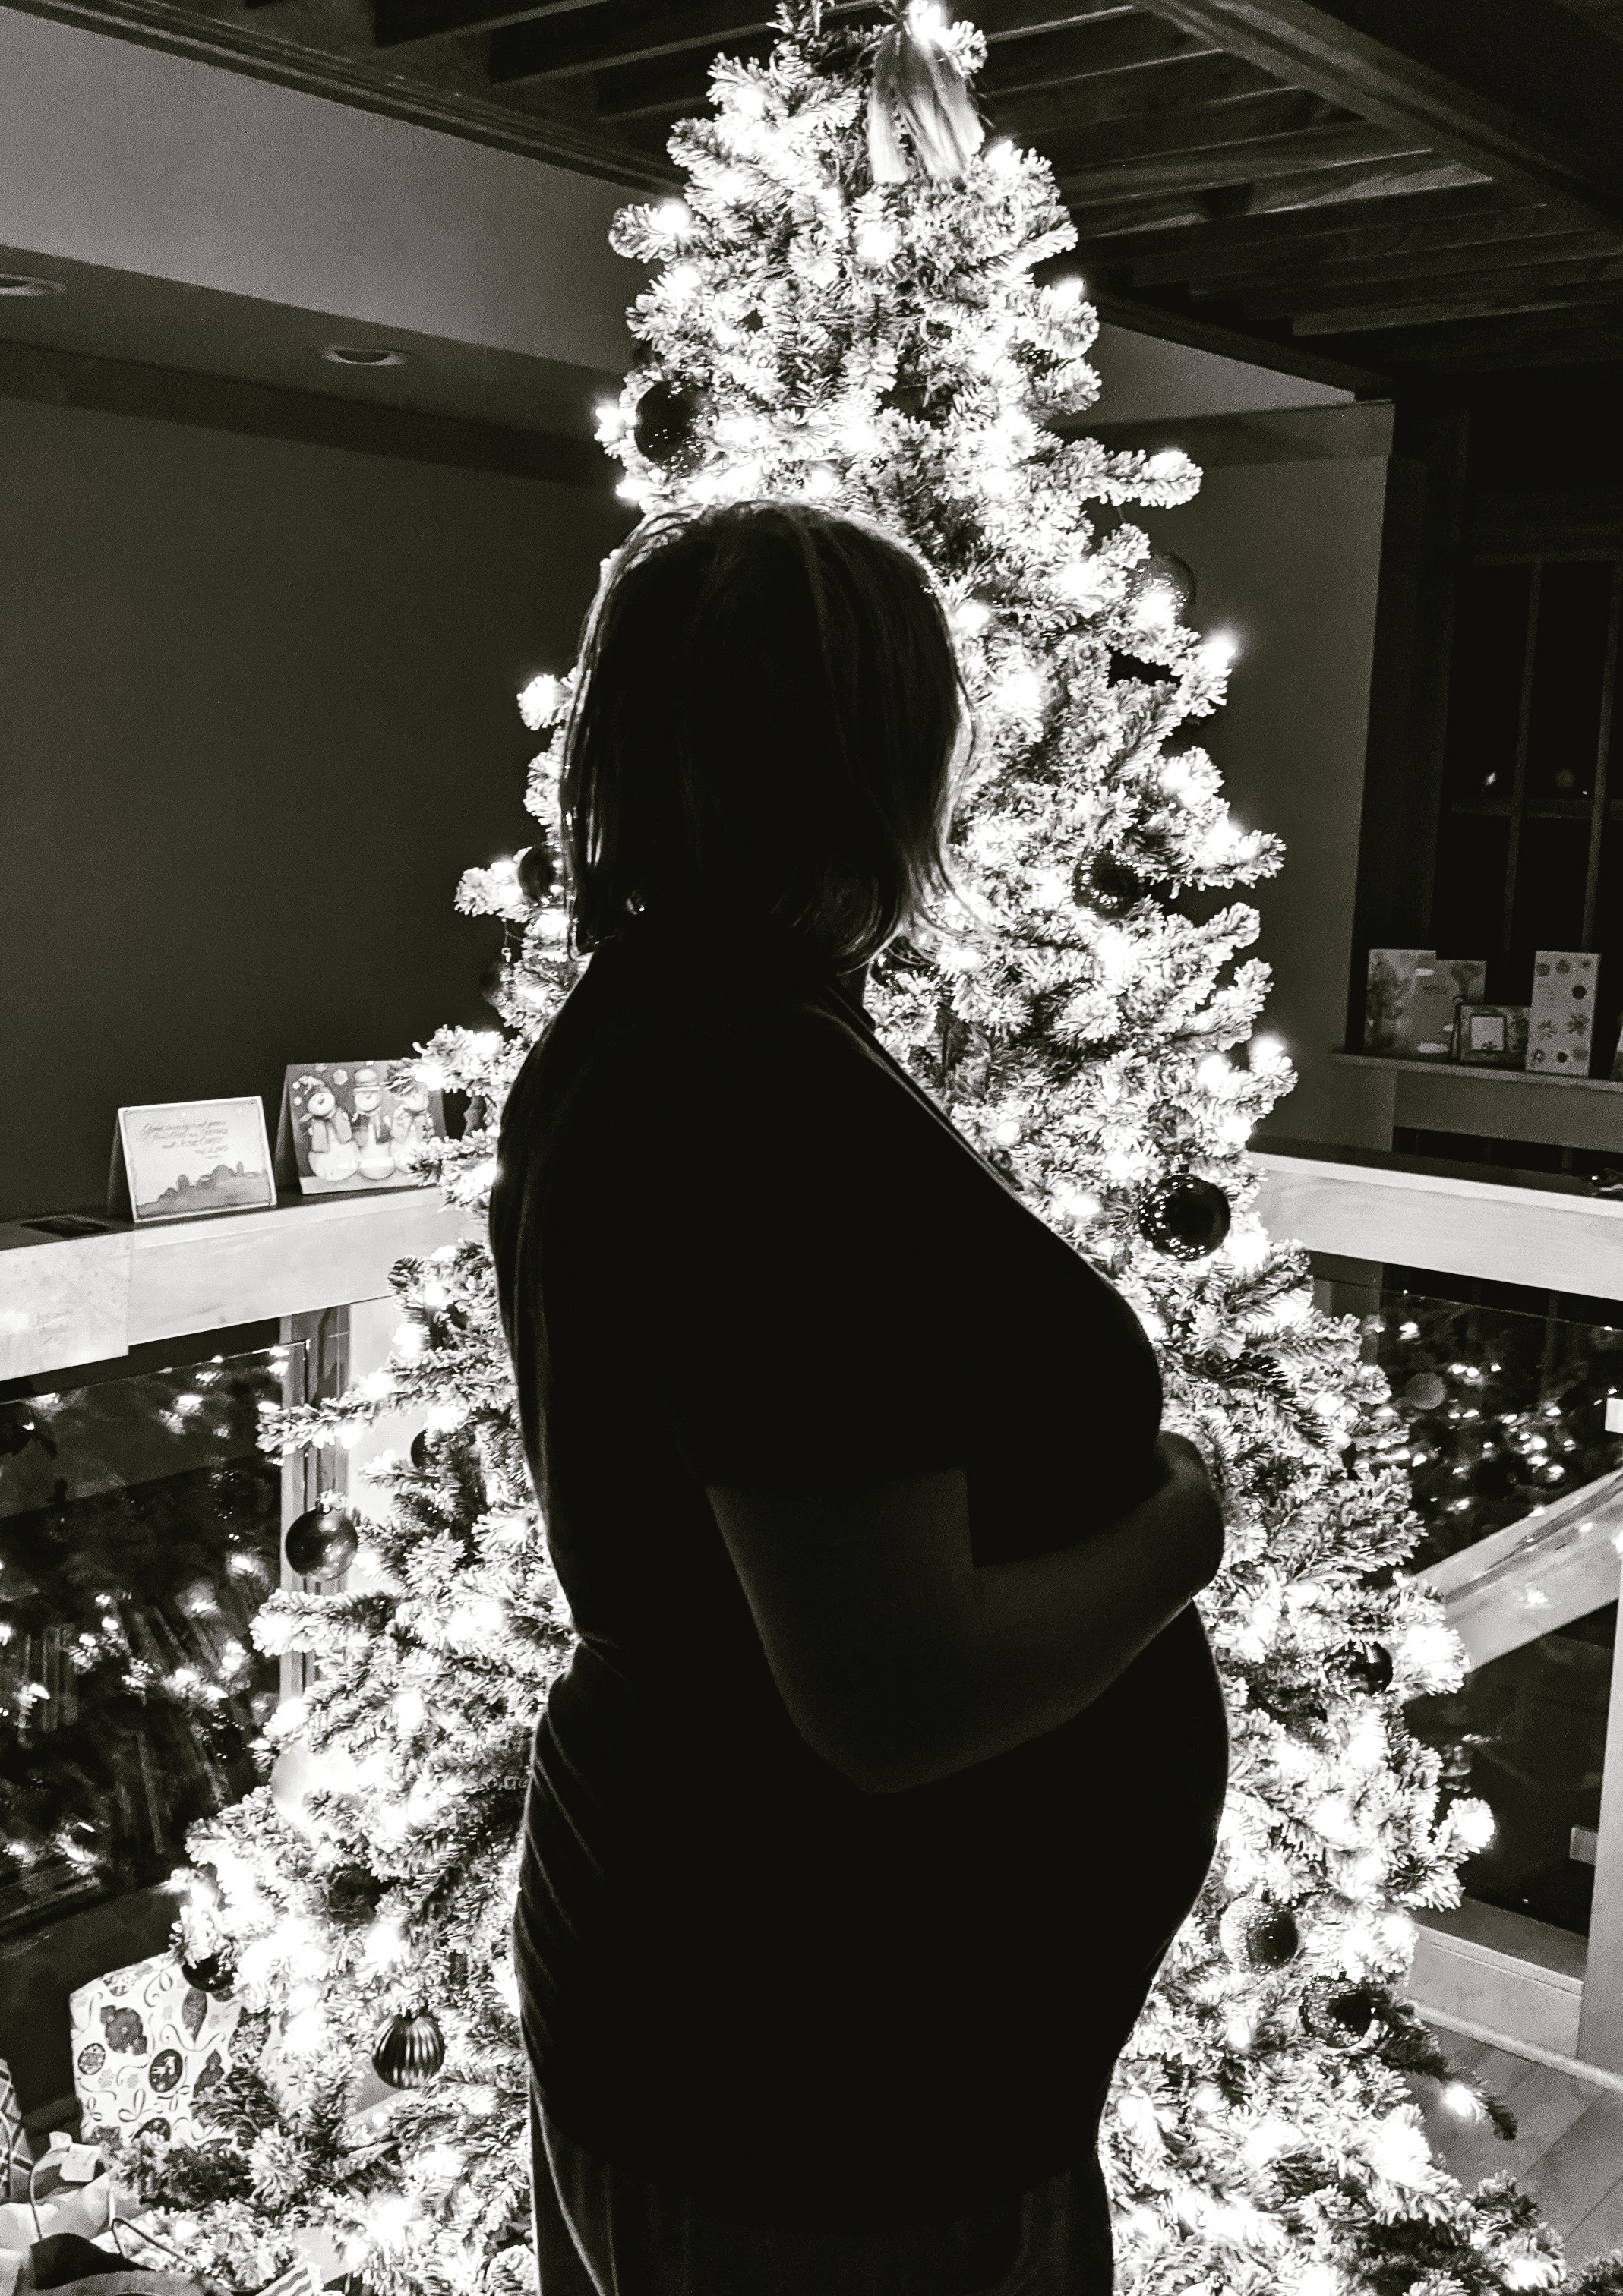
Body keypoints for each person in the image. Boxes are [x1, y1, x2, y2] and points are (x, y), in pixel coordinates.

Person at [488, 500, 1230, 2296]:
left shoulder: (660, 1030)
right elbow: (894, 1700)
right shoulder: (756, 1104)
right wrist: (1186, 1527)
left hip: (762, 2016)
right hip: (823, 2079)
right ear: (879, 759)